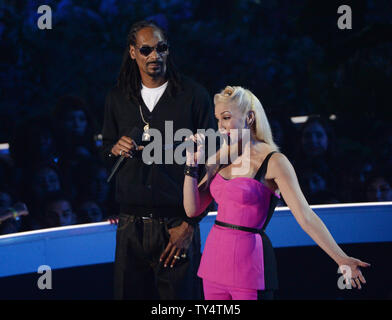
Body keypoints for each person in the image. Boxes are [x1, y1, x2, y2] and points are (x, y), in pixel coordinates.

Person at [183, 86, 370, 300]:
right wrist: (190, 165)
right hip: (213, 262)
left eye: (226, 117)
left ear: (250, 117)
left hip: (248, 266)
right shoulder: (220, 158)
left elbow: (305, 216)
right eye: (218, 119)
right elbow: (192, 209)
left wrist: (341, 257)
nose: (220, 126)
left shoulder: (275, 162)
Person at [100, 20, 216, 300]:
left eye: (161, 48)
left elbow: (214, 163)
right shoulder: (118, 98)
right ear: (132, 52)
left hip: (177, 223)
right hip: (130, 226)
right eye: (146, 49)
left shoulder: (193, 96)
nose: (155, 56)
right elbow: (104, 150)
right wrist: (114, 149)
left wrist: (190, 225)